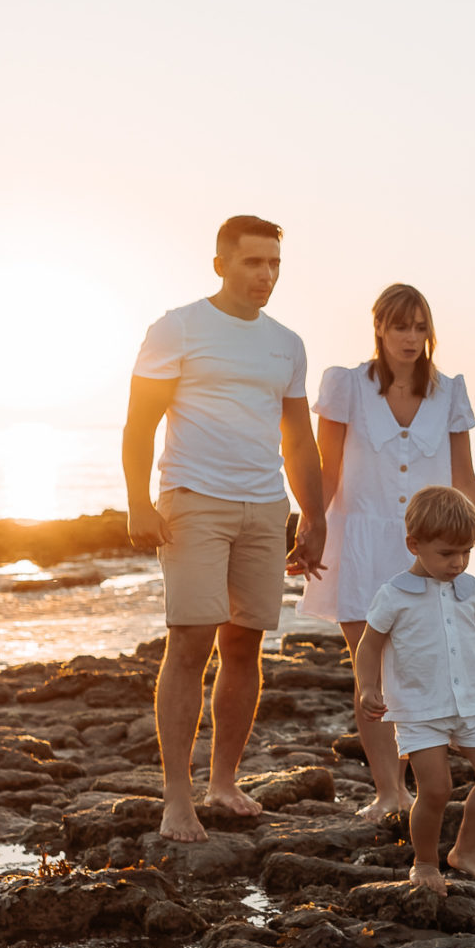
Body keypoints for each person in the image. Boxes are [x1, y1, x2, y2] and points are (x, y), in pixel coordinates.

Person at [122, 216, 328, 844]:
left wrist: (314, 516)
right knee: (190, 642)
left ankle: (223, 781)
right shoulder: (178, 327)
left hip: (265, 507)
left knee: (245, 645)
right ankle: (177, 799)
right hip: (194, 501)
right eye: (252, 263)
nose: (264, 276)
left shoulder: (287, 343)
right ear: (221, 263)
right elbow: (139, 425)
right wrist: (137, 502)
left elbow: (298, 436)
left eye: (273, 265)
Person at [302, 284, 475, 824]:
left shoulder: (448, 393)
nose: (411, 338)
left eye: (420, 327)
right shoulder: (345, 386)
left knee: (423, 668)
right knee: (371, 670)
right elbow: (327, 468)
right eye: (400, 327)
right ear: (379, 328)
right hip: (359, 543)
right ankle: (390, 791)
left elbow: (464, 478)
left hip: (431, 547)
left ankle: (424, 787)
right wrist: (311, 527)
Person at [353, 485, 475, 893]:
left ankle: (465, 850)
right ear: (414, 545)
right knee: (436, 789)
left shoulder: (469, 588)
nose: (458, 563)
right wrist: (368, 687)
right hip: (419, 707)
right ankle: (424, 862)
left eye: (466, 553)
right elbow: (369, 644)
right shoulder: (395, 594)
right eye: (446, 554)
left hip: (473, 702)